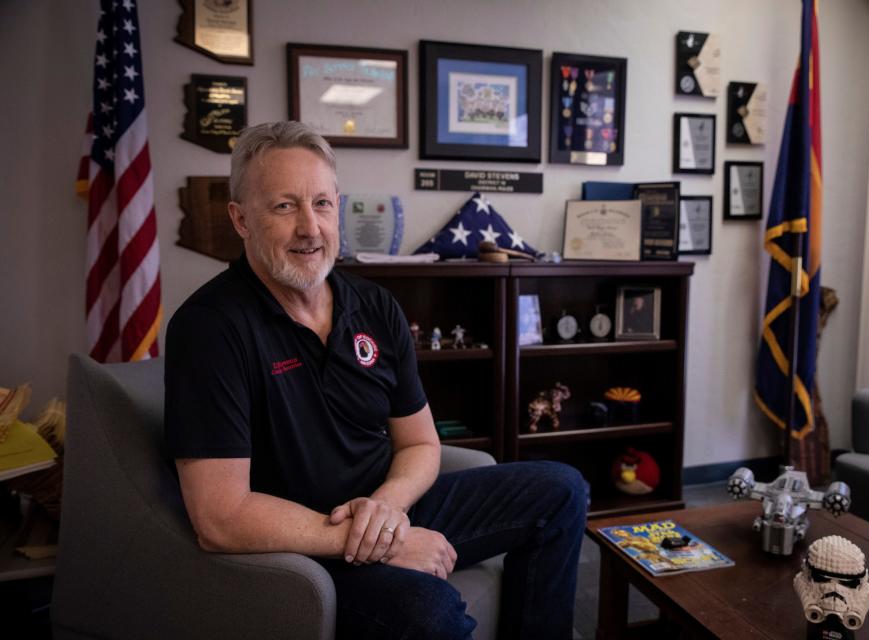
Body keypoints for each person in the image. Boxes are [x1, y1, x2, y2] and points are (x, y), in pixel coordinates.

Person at [164, 121, 586, 639]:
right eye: (283, 206)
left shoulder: (374, 305)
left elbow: (420, 443)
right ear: (241, 219)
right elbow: (220, 517)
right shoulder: (209, 329)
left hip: (385, 505)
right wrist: (375, 540)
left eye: (322, 203)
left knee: (561, 489)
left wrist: (387, 509)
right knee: (429, 612)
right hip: (300, 544)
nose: (309, 227)